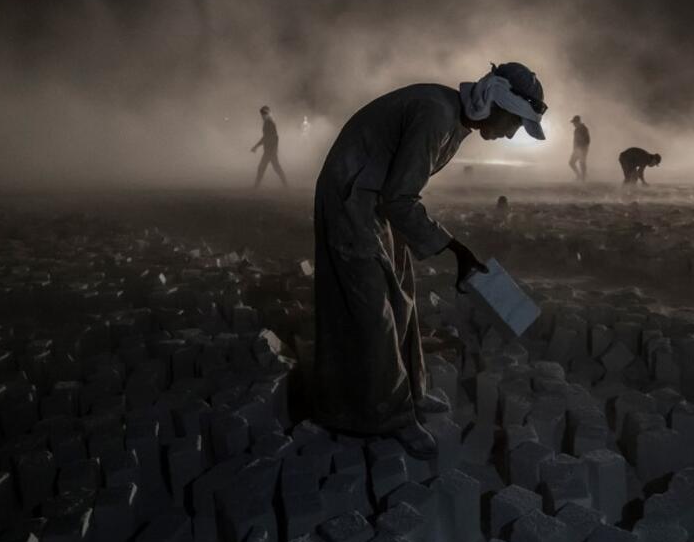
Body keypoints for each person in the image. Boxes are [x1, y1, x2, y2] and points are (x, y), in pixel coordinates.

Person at [313, 62, 547, 459]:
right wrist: (456, 250)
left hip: (375, 197)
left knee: (401, 294)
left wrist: (446, 247)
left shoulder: (452, 119)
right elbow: (400, 198)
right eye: (513, 123)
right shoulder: (436, 116)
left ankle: (411, 391)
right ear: (495, 102)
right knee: (373, 310)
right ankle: (387, 416)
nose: (510, 134)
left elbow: (397, 193)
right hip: (350, 197)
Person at [251, 105, 288, 188]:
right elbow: (272, 137)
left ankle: (256, 186)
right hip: (270, 149)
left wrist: (256, 146)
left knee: (263, 167)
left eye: (262, 115)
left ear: (265, 114)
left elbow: (269, 137)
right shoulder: (269, 122)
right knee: (274, 167)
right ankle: (286, 185)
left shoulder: (269, 123)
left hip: (269, 150)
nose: (261, 117)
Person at [569, 115, 590, 181]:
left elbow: (588, 140)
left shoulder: (584, 129)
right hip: (577, 149)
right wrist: (574, 148)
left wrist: (582, 147)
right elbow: (575, 140)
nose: (573, 124)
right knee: (571, 162)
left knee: (582, 162)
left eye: (574, 122)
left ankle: (583, 178)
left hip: (583, 149)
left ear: (578, 122)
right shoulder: (576, 130)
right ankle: (579, 176)